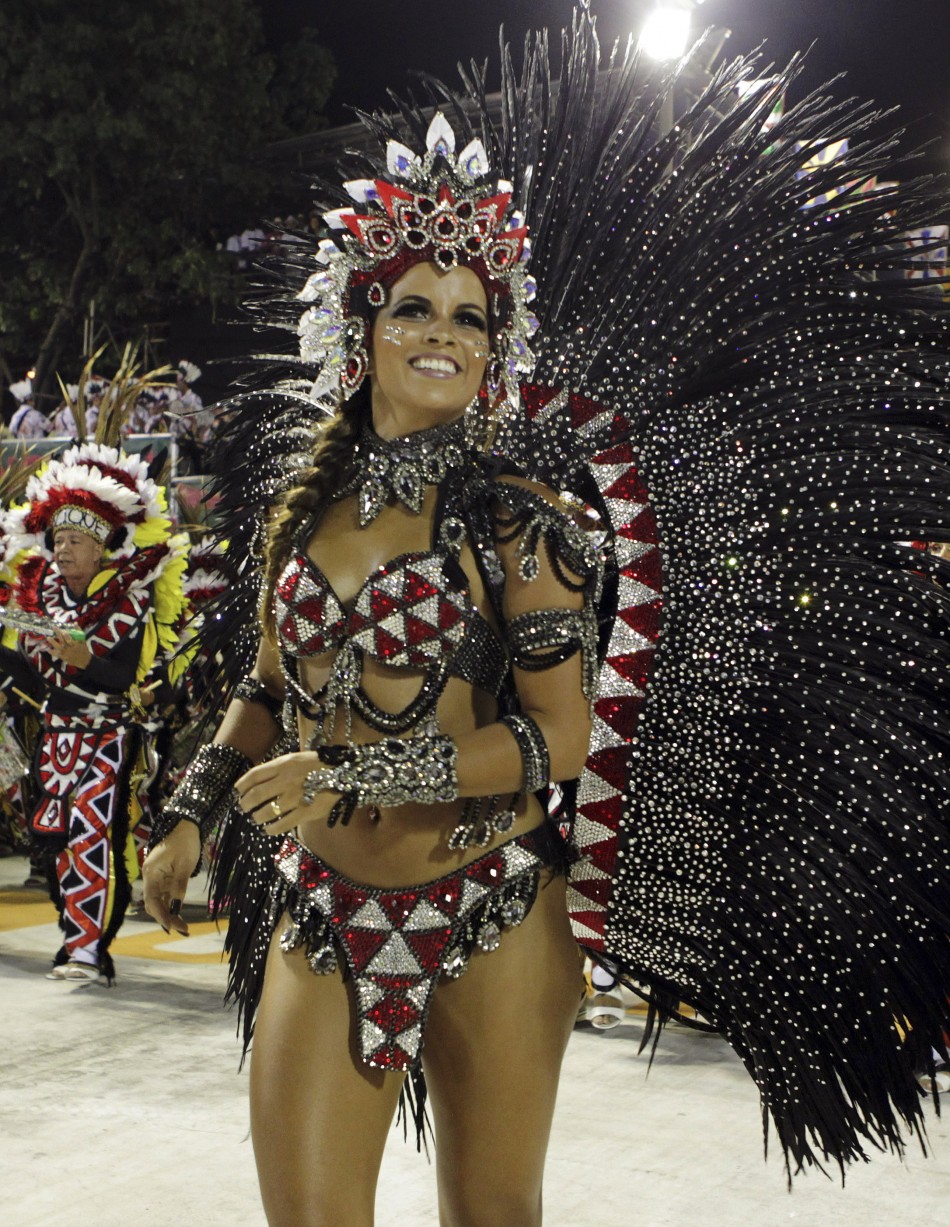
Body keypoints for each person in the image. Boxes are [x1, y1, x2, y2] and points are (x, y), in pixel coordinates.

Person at [145, 7, 950, 1218]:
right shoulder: (302, 509)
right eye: (413, 307)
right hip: (324, 909)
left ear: (496, 354)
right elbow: (265, 690)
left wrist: (353, 781)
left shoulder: (517, 521)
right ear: (358, 329)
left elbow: (558, 739)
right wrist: (192, 818)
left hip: (494, 909)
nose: (441, 335)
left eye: (471, 317)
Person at [0, 437, 190, 982]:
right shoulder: (39, 604)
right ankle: (77, 938)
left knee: (90, 836)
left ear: (101, 545)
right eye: (56, 540)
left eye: (74, 541)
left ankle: (86, 950)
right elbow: (31, 677)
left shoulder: (128, 599)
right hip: (55, 740)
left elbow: (124, 677)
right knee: (60, 842)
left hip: (107, 737)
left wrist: (83, 658)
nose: (61, 550)